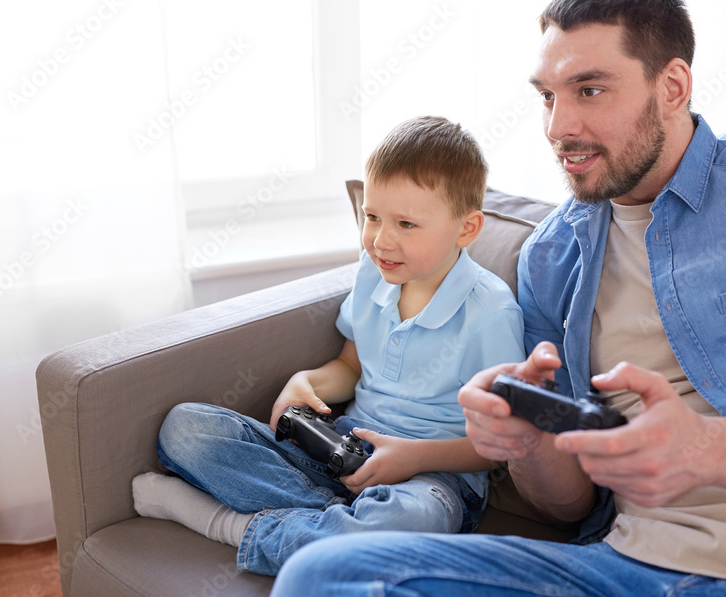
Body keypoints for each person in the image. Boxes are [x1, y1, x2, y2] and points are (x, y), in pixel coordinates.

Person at [271, 0, 726, 596]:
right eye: (547, 96)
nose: (558, 127)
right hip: (620, 570)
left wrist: (708, 448)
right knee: (323, 575)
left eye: (590, 90)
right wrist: (525, 437)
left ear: (674, 87)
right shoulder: (553, 257)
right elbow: (566, 504)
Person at [131, 115, 525, 576]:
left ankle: (230, 525)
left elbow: (503, 445)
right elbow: (349, 366)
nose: (381, 239)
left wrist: (414, 457)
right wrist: (306, 382)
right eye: (373, 217)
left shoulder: (490, 313)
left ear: (466, 229)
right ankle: (340, 523)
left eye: (406, 224)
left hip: (432, 479)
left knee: (404, 518)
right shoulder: (371, 274)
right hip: (343, 447)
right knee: (185, 430)